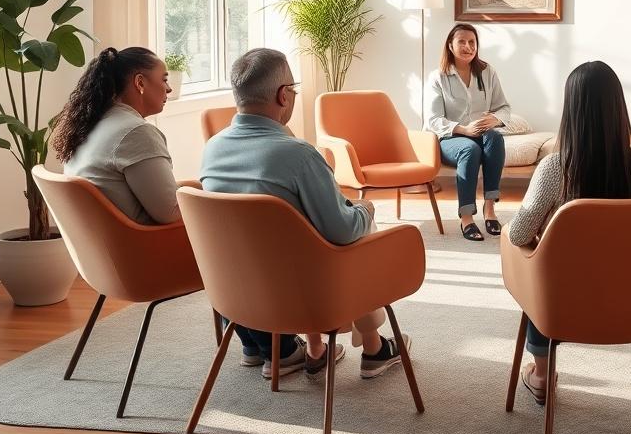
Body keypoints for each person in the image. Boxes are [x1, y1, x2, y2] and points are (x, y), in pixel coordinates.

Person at [200, 48, 411, 380]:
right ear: (284, 96)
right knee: (360, 222)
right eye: (294, 90)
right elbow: (342, 231)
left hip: (234, 293)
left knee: (304, 232)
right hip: (306, 297)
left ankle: (314, 350)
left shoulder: (212, 149)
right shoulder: (298, 156)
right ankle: (374, 348)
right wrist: (365, 208)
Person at [507, 61, 631, 404]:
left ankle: (541, 373)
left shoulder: (555, 167)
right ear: (618, 107)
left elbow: (520, 234)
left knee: (537, 266)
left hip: (565, 304)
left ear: (571, 110)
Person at [54, 47, 180, 225]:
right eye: (164, 79)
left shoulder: (88, 125)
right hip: (149, 246)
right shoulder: (137, 133)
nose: (169, 88)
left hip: (105, 247)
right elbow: (170, 213)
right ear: (140, 83)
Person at [427, 23, 512, 241]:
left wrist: (494, 119)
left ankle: (490, 209)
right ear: (450, 45)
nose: (468, 46)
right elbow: (433, 119)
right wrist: (464, 129)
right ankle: (466, 217)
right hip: (450, 138)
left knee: (494, 138)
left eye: (472, 42)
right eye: (462, 42)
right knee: (469, 149)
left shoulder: (487, 72)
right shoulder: (438, 77)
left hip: (481, 133)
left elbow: (503, 107)